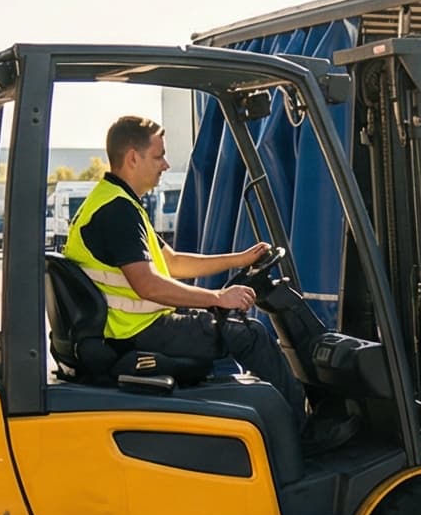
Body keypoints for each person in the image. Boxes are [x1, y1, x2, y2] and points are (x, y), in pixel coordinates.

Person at [68, 115, 333, 449]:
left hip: (128, 329)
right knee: (249, 334)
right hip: (134, 333)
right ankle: (303, 436)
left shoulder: (114, 202)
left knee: (234, 326)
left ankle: (274, 423)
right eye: (158, 156)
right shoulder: (117, 212)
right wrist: (218, 298)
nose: (165, 164)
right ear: (133, 158)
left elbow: (174, 262)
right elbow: (148, 285)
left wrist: (240, 259)